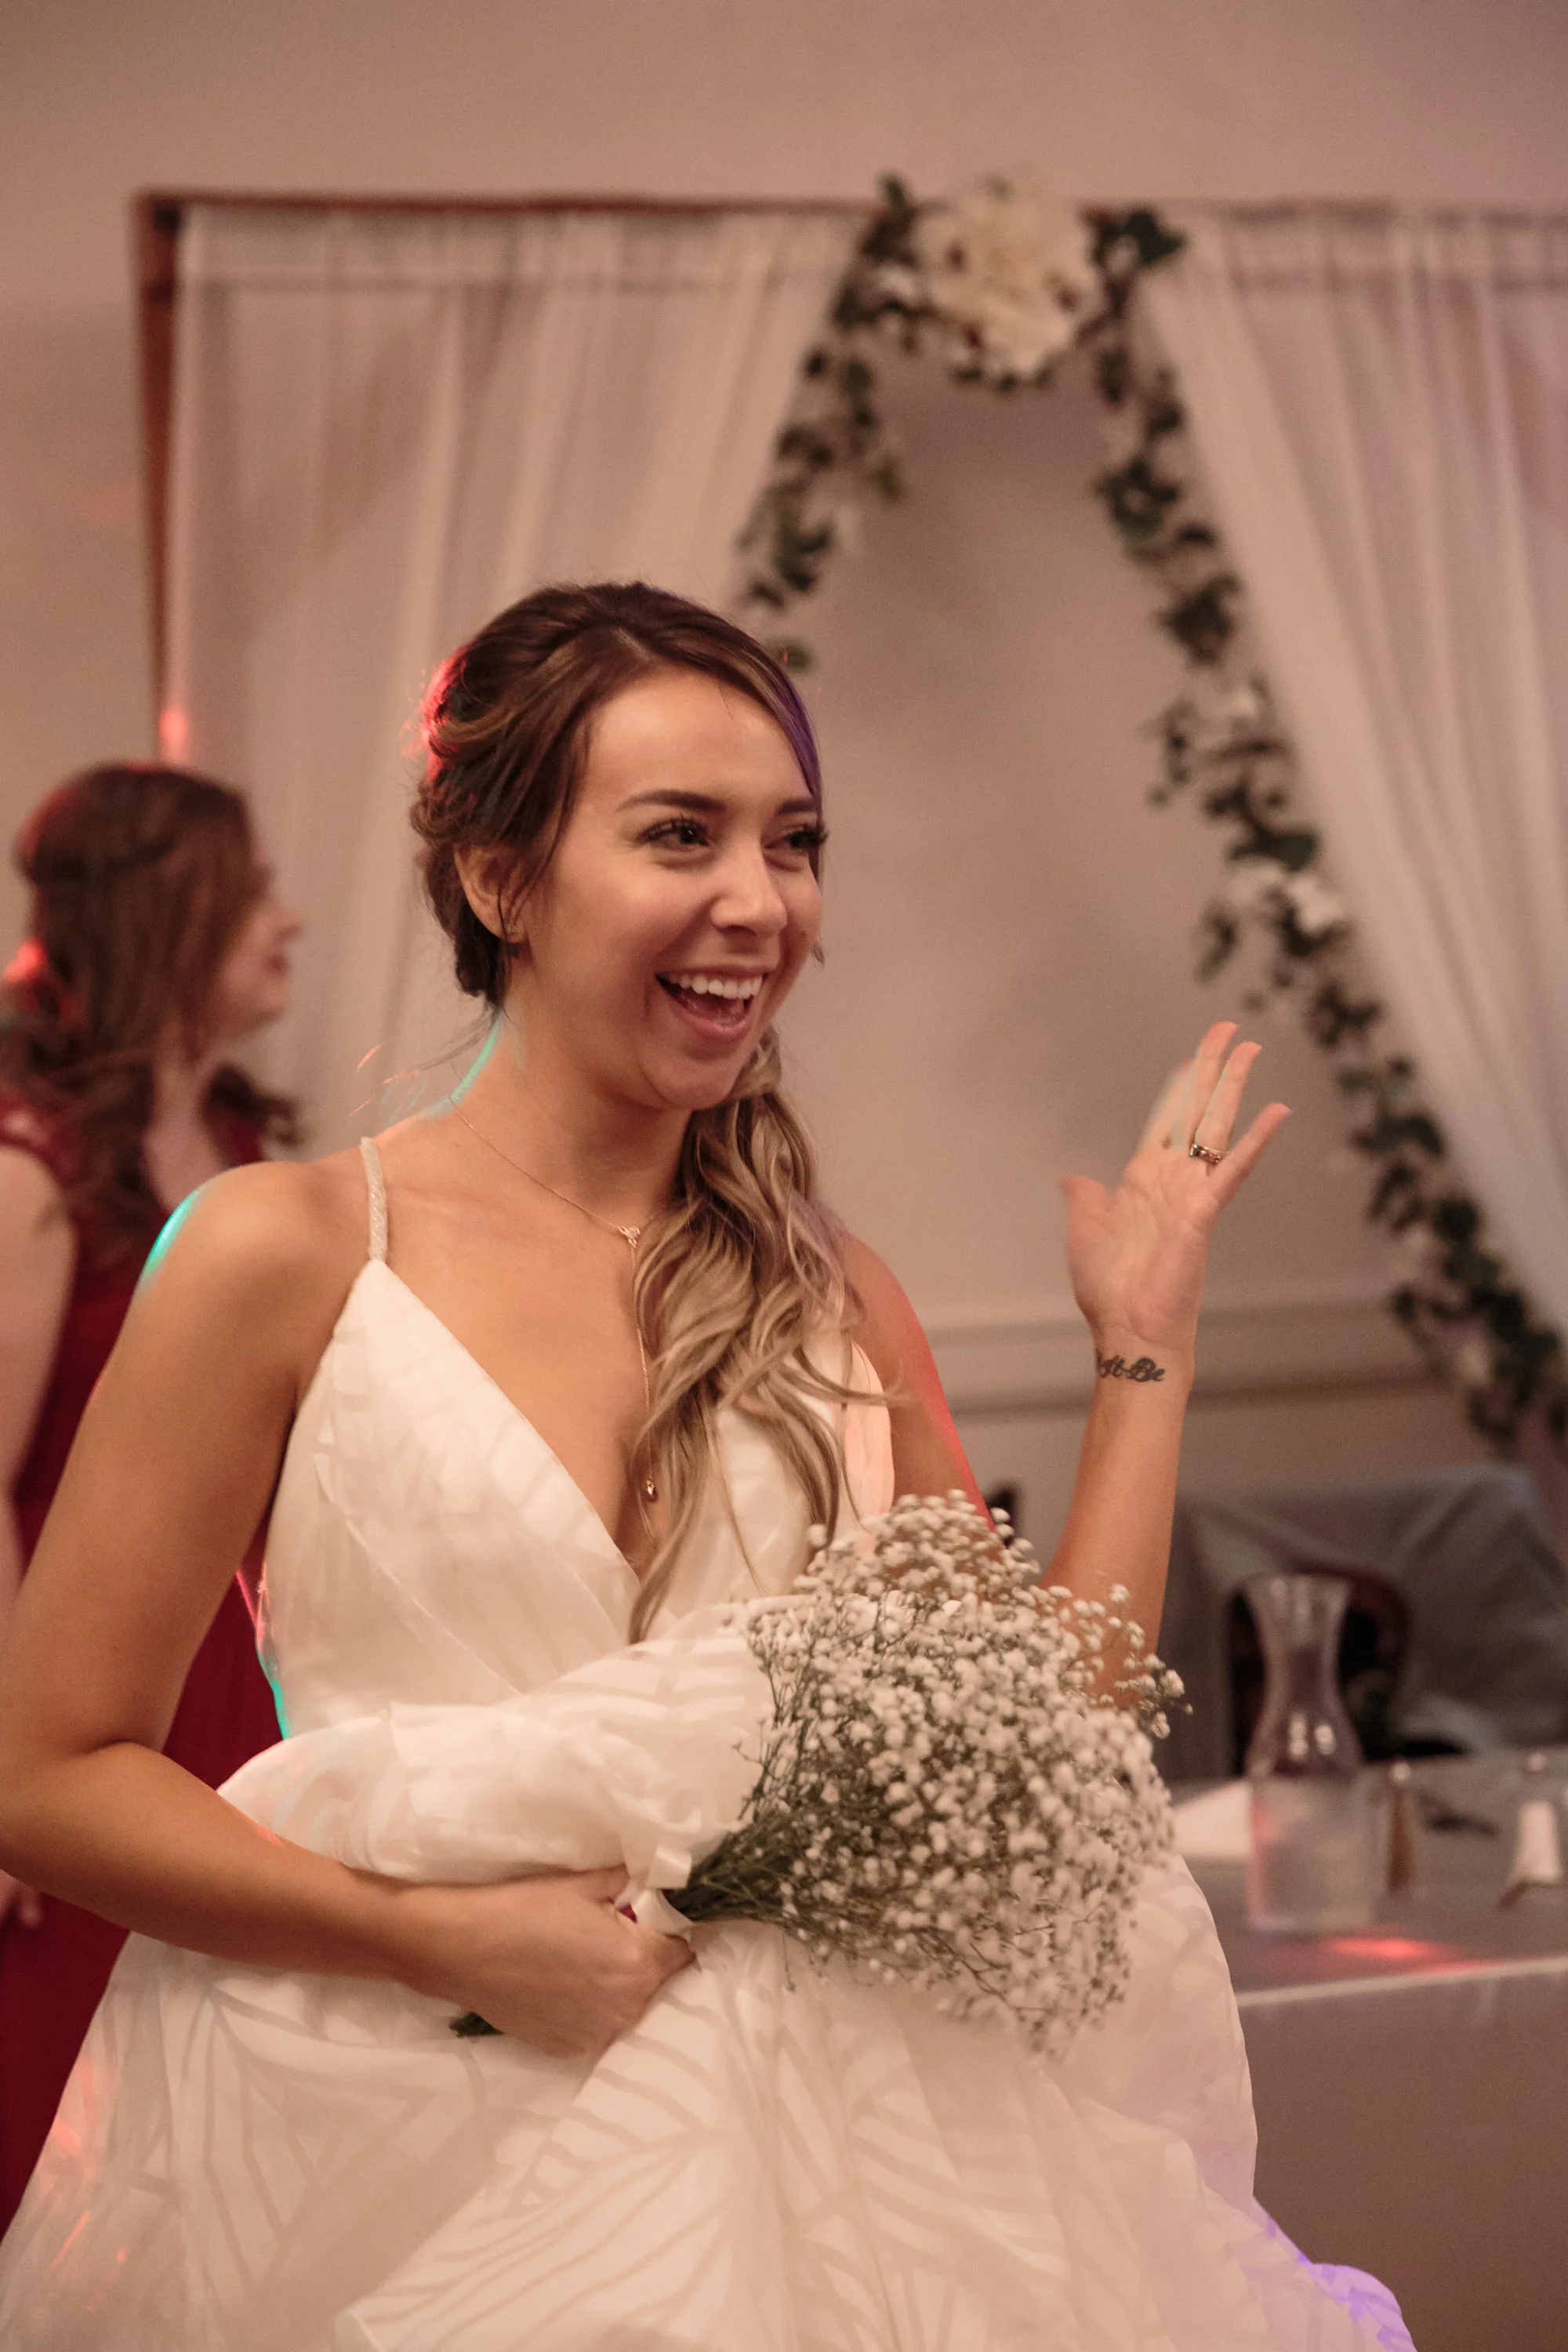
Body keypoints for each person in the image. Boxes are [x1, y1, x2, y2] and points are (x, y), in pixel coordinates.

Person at [0, 588, 1410, 2349]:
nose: (761, 900)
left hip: (824, 2168)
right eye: (682, 835)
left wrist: (1146, 1353)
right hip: (376, 2138)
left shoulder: (830, 1291)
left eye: (793, 843)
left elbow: (1037, 1753)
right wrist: (440, 1939)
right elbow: (46, 1775)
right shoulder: (283, 1252)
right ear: (500, 880)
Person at [0, 763, 299, 2231]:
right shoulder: (29, 1172)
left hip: (247, 1681)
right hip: (97, 1681)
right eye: (251, 897)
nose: (286, 923)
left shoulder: (244, 1151)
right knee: (71, 2113)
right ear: (165, 917)